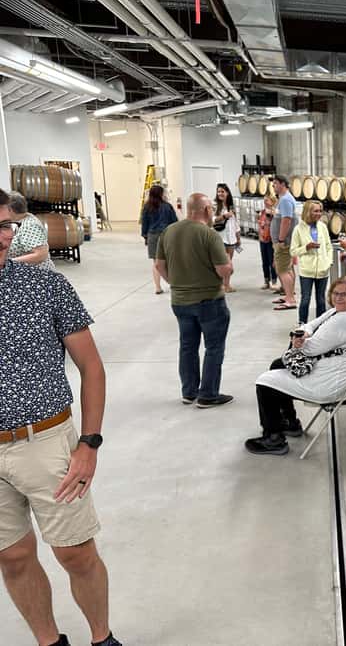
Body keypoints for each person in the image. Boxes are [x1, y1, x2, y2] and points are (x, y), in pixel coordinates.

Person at [0, 191, 122, 646]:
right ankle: (49, 642)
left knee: (75, 553)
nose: (3, 236)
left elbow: (91, 367)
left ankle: (101, 637)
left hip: (46, 442)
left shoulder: (45, 286)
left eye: (5, 225)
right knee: (11, 558)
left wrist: (89, 443)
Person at [245, 277, 346, 456]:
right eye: (336, 293)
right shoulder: (342, 312)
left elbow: (311, 349)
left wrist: (298, 341)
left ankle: (274, 439)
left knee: (265, 383)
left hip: (330, 383)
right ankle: (290, 423)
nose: (339, 298)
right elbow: (312, 324)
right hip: (338, 372)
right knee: (277, 365)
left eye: (345, 294)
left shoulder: (345, 320)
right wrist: (305, 333)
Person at [156, 193, 234, 409]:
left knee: (187, 347)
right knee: (213, 348)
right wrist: (229, 269)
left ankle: (189, 392)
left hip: (180, 301)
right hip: (209, 301)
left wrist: (176, 283)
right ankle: (208, 394)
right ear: (207, 210)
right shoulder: (209, 235)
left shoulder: (169, 231)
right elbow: (223, 269)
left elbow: (159, 265)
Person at [290, 199, 332, 321]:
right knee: (305, 299)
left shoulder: (323, 227)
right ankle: (302, 324)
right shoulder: (298, 229)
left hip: (323, 270)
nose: (319, 214)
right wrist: (306, 247)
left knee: (321, 300)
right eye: (316, 211)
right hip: (306, 270)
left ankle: (320, 325)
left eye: (320, 211)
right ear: (308, 212)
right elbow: (293, 251)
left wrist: (328, 262)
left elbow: (328, 246)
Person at [139, 184, 177, 294]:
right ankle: (173, 284)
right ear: (161, 194)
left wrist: (145, 236)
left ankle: (158, 287)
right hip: (167, 235)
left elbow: (144, 224)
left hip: (153, 236)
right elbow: (174, 222)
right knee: (169, 261)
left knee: (156, 262)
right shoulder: (167, 206)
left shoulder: (146, 207)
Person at [7, 190, 55, 270]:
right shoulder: (18, 220)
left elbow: (40, 255)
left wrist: (9, 263)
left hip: (36, 275)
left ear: (10, 210)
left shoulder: (30, 226)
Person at [271, 175, 299, 308]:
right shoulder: (284, 199)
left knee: (282, 270)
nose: (273, 186)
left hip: (284, 242)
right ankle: (289, 294)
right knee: (288, 269)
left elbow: (286, 220)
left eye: (275, 183)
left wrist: (281, 239)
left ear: (283, 184)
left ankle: (290, 300)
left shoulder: (286, 200)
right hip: (285, 241)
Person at [213, 183, 241, 293]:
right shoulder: (214, 205)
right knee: (224, 264)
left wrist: (238, 238)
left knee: (228, 263)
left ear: (227, 193)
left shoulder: (231, 206)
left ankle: (226, 285)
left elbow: (235, 223)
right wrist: (224, 216)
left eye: (222, 191)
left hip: (231, 239)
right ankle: (220, 284)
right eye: (218, 191)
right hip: (219, 238)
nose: (220, 193)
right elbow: (213, 219)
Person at [257, 195, 278, 290]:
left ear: (273, 202)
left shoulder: (275, 212)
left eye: (267, 200)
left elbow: (277, 224)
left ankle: (274, 281)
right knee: (264, 261)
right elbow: (260, 224)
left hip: (271, 240)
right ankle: (266, 281)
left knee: (272, 261)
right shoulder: (262, 212)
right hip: (263, 240)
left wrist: (272, 215)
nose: (265, 202)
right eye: (264, 200)